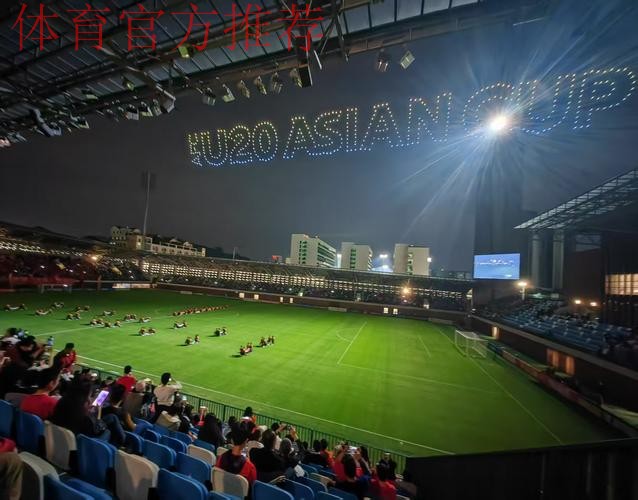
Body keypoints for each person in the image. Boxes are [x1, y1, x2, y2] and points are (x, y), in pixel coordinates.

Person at [50, 382, 126, 446]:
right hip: (77, 448)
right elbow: (98, 428)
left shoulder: (61, 405)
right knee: (107, 431)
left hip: (58, 444)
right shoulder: (84, 418)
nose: (90, 400)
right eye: (89, 396)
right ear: (83, 399)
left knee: (111, 418)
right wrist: (98, 411)